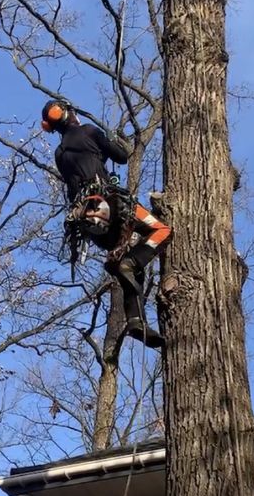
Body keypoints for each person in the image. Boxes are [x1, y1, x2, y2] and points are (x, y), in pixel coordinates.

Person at [42, 98, 170, 349]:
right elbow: (122, 156)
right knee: (161, 230)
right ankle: (131, 263)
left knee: (129, 263)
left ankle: (135, 320)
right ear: (70, 113)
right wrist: (108, 139)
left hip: (89, 224)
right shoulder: (88, 131)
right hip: (110, 205)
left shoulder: (59, 154)